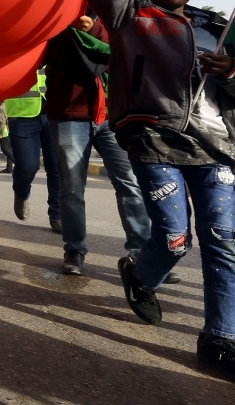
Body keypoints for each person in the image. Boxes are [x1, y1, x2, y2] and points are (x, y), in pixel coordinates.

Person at [86, 0, 235, 384]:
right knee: (173, 237)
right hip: (155, 140)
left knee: (224, 242)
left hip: (219, 150)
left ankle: (219, 340)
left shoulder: (218, 27)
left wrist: (232, 70)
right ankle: (142, 276)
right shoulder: (130, 18)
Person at [44, 14, 158, 277]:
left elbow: (123, 53)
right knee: (72, 188)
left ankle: (142, 251)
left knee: (130, 182)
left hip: (112, 116)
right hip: (68, 115)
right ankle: (74, 248)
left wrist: (94, 28)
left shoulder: (113, 16)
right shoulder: (53, 18)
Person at [5, 70, 62, 233]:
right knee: (28, 166)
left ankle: (57, 215)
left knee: (57, 167)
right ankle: (21, 193)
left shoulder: (51, 45)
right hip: (22, 114)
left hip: (54, 111)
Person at [0, 102, 15, 173]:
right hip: (13, 129)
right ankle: (9, 168)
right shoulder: (10, 105)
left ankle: (18, 163)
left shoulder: (0, 108)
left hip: (5, 130)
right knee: (9, 149)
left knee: (5, 148)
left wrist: (1, 133)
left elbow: (2, 122)